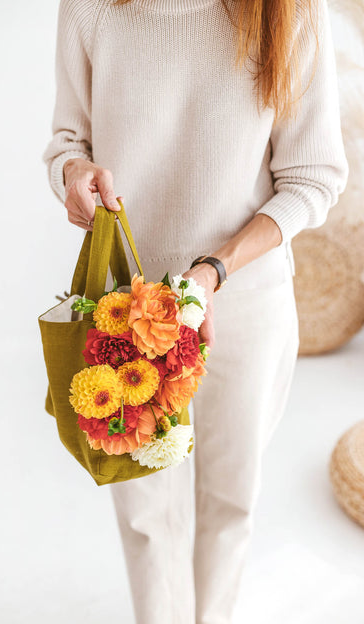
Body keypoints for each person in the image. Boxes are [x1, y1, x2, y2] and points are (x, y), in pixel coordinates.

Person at [42, 0, 349, 621]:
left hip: (245, 304)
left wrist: (214, 271)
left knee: (230, 501)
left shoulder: (289, 13)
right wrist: (73, 172)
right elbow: (67, 140)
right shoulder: (92, 9)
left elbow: (313, 177)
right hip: (125, 311)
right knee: (147, 517)